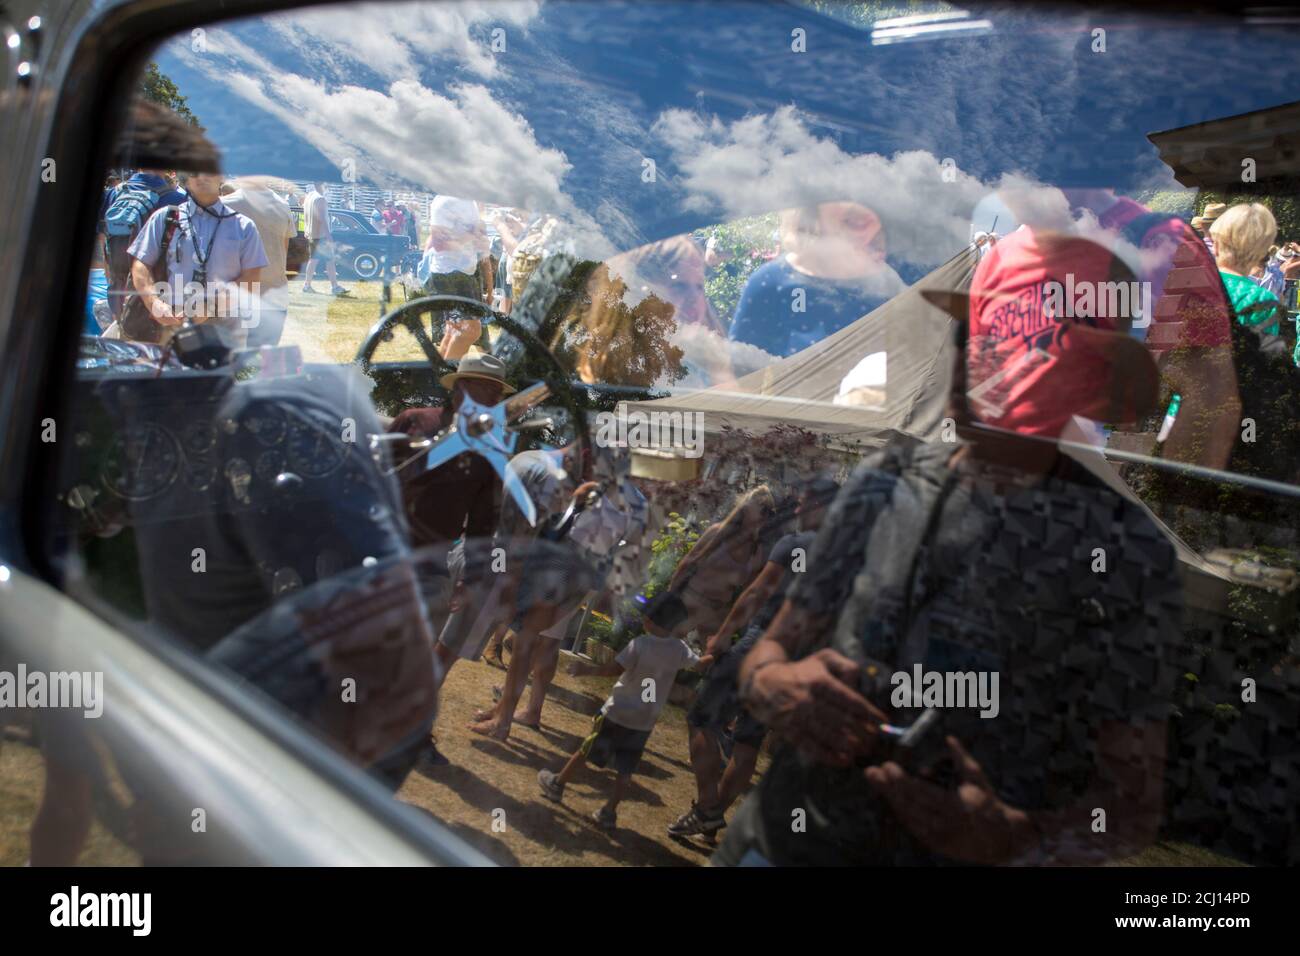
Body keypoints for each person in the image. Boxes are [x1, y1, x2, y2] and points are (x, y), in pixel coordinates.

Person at [714, 231, 1180, 867]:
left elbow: (1129, 808)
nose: (974, 361)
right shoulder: (886, 479)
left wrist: (1013, 841)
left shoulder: (1126, 553)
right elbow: (771, 651)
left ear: (1085, 381)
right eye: (973, 334)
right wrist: (776, 684)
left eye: (1018, 347)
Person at [668, 477, 838, 840]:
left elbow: (757, 593)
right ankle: (708, 819)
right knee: (747, 742)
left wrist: (722, 636)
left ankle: (708, 807)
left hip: (760, 645)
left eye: (804, 502)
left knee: (701, 719)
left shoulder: (796, 545)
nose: (796, 509)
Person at [537, 628, 712, 830]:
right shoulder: (679, 648)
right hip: (644, 721)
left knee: (587, 749)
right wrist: (717, 652)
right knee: (625, 768)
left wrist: (586, 669)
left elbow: (614, 668)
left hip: (617, 712)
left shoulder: (641, 642)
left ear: (651, 620)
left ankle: (557, 784)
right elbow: (699, 664)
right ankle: (610, 811)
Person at [728, 202, 907, 360]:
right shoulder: (772, 280)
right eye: (841, 189)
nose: (858, 201)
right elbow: (740, 369)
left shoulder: (893, 280)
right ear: (810, 203)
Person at [126, 170, 267, 347]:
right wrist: (153, 302)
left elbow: (251, 279)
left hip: (224, 332)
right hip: (171, 326)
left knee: (217, 376)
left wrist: (210, 306)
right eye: (194, 171)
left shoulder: (244, 226)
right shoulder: (165, 218)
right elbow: (141, 265)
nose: (201, 176)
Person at [662, 486, 777, 640]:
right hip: (689, 602)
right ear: (747, 507)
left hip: (715, 614)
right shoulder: (717, 532)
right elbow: (688, 562)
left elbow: (748, 592)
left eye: (770, 512)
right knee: (666, 650)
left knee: (710, 659)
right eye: (763, 509)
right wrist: (669, 596)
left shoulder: (756, 551)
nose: (766, 516)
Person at [99, 168, 187, 318]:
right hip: (160, 305)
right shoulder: (177, 200)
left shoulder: (113, 194)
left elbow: (105, 246)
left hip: (119, 300)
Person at [222, 176, 298, 347]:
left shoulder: (225, 205)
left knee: (233, 365)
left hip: (238, 299)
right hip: (274, 297)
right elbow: (283, 254)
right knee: (264, 363)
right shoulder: (283, 205)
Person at [419, 194, 494, 359]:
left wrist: (478, 239)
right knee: (471, 331)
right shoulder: (446, 199)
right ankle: (448, 379)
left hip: (464, 274)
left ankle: (440, 376)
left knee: (454, 330)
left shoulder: (470, 200)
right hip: (449, 273)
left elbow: (474, 237)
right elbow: (439, 243)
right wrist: (473, 235)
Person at [1210, 203, 1287, 342]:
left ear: (1215, 247)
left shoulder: (1194, 286)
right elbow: (1267, 359)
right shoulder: (1260, 300)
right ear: (1262, 252)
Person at [301, 181, 350, 296]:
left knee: (316, 261)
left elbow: (306, 214)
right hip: (321, 235)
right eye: (325, 185)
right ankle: (333, 287)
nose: (327, 187)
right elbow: (322, 219)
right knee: (327, 260)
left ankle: (308, 286)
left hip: (312, 234)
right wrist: (328, 236)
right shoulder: (320, 199)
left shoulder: (309, 196)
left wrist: (306, 230)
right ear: (320, 185)